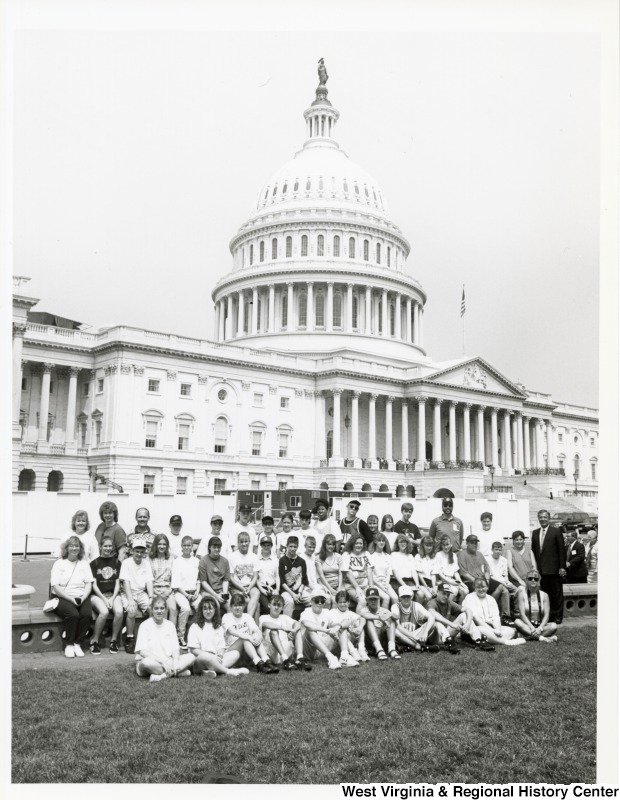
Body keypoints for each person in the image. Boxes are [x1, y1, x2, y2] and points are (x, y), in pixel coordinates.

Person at [50, 535, 95, 658]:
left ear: (80, 549)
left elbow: (88, 583)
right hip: (62, 596)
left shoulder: (84, 564)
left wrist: (83, 597)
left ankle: (77, 643)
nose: (74, 548)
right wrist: (71, 599)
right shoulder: (59, 563)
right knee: (73, 614)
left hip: (81, 595)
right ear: (67, 548)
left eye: (77, 546)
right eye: (71, 546)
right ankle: (69, 645)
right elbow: (56, 586)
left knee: (86, 614)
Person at [457, 534, 514, 627]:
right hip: (469, 580)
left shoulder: (479, 553)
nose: (474, 545)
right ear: (467, 543)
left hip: (483, 578)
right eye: (472, 543)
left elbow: (487, 567)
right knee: (482, 587)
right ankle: (486, 613)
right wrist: (477, 581)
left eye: (476, 543)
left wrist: (487, 578)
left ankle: (505, 617)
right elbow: (463, 573)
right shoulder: (462, 554)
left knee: (502, 588)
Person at [134, 596, 195, 682]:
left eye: (162, 608)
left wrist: (176, 661)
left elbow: (175, 648)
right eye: (156, 608)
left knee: (191, 656)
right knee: (146, 662)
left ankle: (162, 676)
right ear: (151, 610)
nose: (159, 611)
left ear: (166, 610)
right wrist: (162, 662)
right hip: (151, 662)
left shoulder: (170, 625)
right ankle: (179, 672)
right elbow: (142, 651)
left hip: (167, 661)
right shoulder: (144, 625)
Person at [188, 595, 249, 677]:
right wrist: (211, 656)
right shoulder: (195, 626)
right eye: (205, 609)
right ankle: (228, 671)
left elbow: (221, 647)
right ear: (201, 611)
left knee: (235, 653)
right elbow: (193, 650)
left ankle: (208, 672)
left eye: (211, 608)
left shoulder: (218, 627)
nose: (208, 611)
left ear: (215, 610)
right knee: (204, 656)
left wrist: (219, 656)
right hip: (200, 659)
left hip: (215, 657)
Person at [222, 592, 279, 673]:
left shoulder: (247, 616)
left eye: (240, 605)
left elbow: (256, 629)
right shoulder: (227, 617)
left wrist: (259, 637)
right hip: (232, 651)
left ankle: (267, 661)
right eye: (235, 605)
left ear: (244, 606)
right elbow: (231, 631)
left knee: (255, 634)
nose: (238, 608)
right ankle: (259, 664)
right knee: (244, 638)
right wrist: (248, 637)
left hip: (248, 650)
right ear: (231, 607)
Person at [427, 583, 495, 651]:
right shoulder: (432, 603)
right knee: (437, 624)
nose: (446, 597)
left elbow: (468, 610)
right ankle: (451, 643)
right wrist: (451, 624)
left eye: (448, 594)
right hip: (434, 637)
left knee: (463, 615)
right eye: (443, 593)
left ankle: (478, 640)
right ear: (437, 592)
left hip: (447, 634)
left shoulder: (448, 602)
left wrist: (467, 624)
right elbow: (433, 614)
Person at [461, 577, 525, 646]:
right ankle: (505, 642)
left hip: (491, 627)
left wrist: (498, 630)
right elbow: (476, 619)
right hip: (477, 626)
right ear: (474, 588)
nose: (481, 589)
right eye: (478, 587)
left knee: (511, 630)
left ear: (487, 587)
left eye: (483, 587)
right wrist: (492, 630)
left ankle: (491, 639)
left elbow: (496, 618)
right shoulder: (469, 597)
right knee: (482, 631)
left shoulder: (491, 599)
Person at [531, 509, 567, 624]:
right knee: (546, 595)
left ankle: (558, 616)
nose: (543, 519)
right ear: (538, 518)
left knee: (557, 594)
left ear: (549, 518)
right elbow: (534, 552)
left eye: (545, 517)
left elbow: (562, 550)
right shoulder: (535, 533)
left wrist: (562, 567)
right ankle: (549, 616)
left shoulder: (555, 531)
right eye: (540, 517)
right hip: (542, 571)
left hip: (554, 569)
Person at [89, 535, 124, 655]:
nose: (108, 548)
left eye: (110, 546)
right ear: (100, 547)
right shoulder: (94, 563)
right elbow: (93, 585)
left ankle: (114, 641)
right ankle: (94, 640)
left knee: (119, 612)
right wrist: (104, 598)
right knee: (104, 612)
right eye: (105, 546)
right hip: (97, 595)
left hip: (113, 594)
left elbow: (118, 583)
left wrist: (113, 598)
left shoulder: (117, 562)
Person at [259, 594, 312, 670]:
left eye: (279, 605)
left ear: (282, 608)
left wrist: (293, 631)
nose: (276, 607)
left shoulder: (284, 617)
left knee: (297, 630)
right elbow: (266, 624)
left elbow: (297, 624)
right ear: (269, 605)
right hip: (272, 652)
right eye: (274, 604)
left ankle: (300, 659)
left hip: (286, 649)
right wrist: (283, 628)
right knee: (273, 631)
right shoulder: (263, 617)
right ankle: (285, 660)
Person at [119, 536, 153, 654]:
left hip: (141, 592)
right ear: (132, 551)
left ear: (145, 552)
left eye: (141, 552)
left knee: (152, 609)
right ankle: (130, 638)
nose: (139, 554)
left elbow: (149, 581)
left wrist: (151, 597)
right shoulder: (126, 563)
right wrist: (130, 599)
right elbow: (126, 582)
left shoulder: (147, 563)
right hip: (128, 592)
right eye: (137, 551)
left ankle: (150, 638)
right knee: (132, 610)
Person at [300, 585, 346, 669]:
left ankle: (346, 655)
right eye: (317, 601)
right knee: (311, 630)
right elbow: (306, 624)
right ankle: (331, 657)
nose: (320, 603)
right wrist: (326, 630)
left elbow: (345, 622)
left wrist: (336, 628)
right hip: (309, 650)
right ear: (311, 602)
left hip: (322, 647)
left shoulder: (326, 612)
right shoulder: (306, 612)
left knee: (341, 628)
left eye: (322, 601)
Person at [389, 585, 442, 654]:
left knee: (433, 624)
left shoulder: (416, 605)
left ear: (412, 597)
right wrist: (415, 638)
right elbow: (398, 626)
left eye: (408, 596)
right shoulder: (395, 607)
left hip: (416, 635)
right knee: (394, 630)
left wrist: (425, 633)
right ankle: (419, 646)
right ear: (399, 598)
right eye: (403, 596)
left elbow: (431, 617)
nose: (406, 598)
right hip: (403, 636)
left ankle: (409, 647)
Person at [171, 535, 202, 647]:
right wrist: (187, 596)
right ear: (181, 547)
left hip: (194, 591)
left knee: (200, 605)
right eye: (184, 545)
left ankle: (198, 635)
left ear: (192, 547)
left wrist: (197, 591)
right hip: (181, 592)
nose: (187, 548)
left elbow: (198, 579)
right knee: (186, 608)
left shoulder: (196, 561)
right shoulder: (177, 561)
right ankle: (181, 636)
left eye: (189, 545)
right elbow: (176, 584)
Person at [514, 570, 558, 643]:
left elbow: (547, 615)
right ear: (526, 581)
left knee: (554, 626)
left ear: (539, 581)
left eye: (536, 579)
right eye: (530, 578)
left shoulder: (544, 595)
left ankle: (527, 637)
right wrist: (532, 628)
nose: (533, 580)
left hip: (540, 626)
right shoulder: (522, 594)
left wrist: (540, 628)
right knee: (517, 622)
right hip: (527, 626)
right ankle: (542, 638)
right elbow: (522, 614)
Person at [359, 587, 401, 660]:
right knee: (369, 620)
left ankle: (392, 649)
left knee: (390, 619)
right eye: (370, 599)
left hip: (382, 637)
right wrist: (379, 617)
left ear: (378, 599)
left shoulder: (383, 610)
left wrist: (392, 615)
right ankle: (379, 649)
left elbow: (396, 617)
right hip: (370, 641)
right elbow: (364, 615)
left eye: (375, 599)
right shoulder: (364, 610)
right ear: (366, 600)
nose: (373, 601)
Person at [327, 590, 369, 662]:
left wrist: (359, 628)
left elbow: (362, 619)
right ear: (337, 603)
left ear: (348, 603)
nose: (343, 604)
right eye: (340, 602)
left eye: (345, 602)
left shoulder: (349, 613)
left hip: (349, 638)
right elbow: (333, 626)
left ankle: (361, 649)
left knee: (359, 623)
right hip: (336, 639)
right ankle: (353, 652)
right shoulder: (332, 612)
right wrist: (348, 628)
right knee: (343, 628)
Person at [256, 536, 293, 616]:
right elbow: (256, 579)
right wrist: (262, 590)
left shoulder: (275, 560)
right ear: (261, 546)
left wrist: (277, 589)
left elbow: (277, 576)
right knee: (267, 607)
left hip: (273, 587)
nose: (266, 547)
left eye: (268, 545)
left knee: (277, 604)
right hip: (262, 588)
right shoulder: (256, 559)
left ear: (271, 546)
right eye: (264, 545)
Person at [149, 534, 178, 630]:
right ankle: (159, 634)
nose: (161, 546)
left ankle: (171, 634)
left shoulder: (172, 558)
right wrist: (157, 593)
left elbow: (175, 578)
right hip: (155, 590)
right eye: (159, 544)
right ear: (155, 545)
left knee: (173, 609)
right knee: (162, 610)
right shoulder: (149, 559)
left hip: (168, 590)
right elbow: (147, 580)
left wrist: (169, 591)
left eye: (164, 544)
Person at [228, 532, 260, 619]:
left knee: (256, 593)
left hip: (250, 586)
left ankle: (248, 621)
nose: (244, 544)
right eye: (241, 542)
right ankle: (249, 624)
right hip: (237, 587)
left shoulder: (254, 557)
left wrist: (249, 588)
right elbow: (231, 577)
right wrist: (242, 589)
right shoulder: (232, 557)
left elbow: (255, 576)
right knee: (254, 603)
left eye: (246, 541)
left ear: (249, 542)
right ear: (238, 543)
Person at [279, 535, 312, 617]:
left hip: (299, 590)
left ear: (297, 547)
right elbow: (282, 581)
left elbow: (304, 580)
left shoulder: (302, 561)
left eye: (295, 546)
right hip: (286, 590)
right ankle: (287, 627)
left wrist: (300, 593)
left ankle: (309, 622)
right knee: (289, 601)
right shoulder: (282, 560)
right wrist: (293, 594)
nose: (293, 548)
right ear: (287, 546)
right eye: (290, 546)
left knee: (312, 599)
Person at [341, 535, 375, 608]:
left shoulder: (366, 554)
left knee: (374, 598)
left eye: (361, 543)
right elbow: (348, 574)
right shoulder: (346, 554)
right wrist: (357, 587)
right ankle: (360, 619)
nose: (359, 545)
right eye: (356, 543)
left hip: (365, 586)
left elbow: (369, 571)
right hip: (351, 586)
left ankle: (374, 619)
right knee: (362, 600)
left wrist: (371, 587)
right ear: (352, 544)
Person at [433, 534, 468, 603]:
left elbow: (455, 572)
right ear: (441, 545)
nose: (446, 547)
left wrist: (461, 583)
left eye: (447, 544)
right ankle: (446, 610)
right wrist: (449, 581)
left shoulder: (454, 555)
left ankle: (458, 608)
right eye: (444, 545)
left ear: (451, 544)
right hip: (442, 581)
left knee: (466, 591)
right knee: (454, 591)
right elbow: (439, 573)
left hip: (452, 580)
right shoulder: (438, 555)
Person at [198, 536, 231, 608]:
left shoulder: (225, 561)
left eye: (218, 547)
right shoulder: (203, 561)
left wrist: (224, 593)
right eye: (214, 547)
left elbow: (226, 579)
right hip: (207, 591)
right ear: (210, 547)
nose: (217, 549)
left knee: (230, 605)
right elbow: (203, 582)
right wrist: (215, 595)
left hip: (221, 590)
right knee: (215, 605)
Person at [389, 533, 423, 601]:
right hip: (397, 582)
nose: (403, 544)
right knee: (406, 593)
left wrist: (417, 583)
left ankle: (415, 610)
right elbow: (395, 573)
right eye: (401, 542)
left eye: (404, 542)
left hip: (409, 581)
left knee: (421, 594)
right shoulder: (394, 555)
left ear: (407, 543)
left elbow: (413, 571)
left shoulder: (410, 556)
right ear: (397, 544)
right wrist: (404, 585)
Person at [487, 541, 520, 607]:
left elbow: (505, 575)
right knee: (505, 592)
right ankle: (506, 615)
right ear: (492, 550)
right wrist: (502, 584)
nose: (498, 552)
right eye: (496, 549)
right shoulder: (487, 559)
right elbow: (490, 576)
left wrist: (507, 582)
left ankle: (516, 612)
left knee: (518, 591)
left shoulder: (504, 560)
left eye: (500, 550)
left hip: (504, 581)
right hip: (494, 582)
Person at [368, 532, 397, 606]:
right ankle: (384, 617)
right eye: (379, 540)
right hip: (375, 584)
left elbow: (388, 574)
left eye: (383, 541)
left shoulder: (387, 556)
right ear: (375, 542)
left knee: (395, 598)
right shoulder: (370, 557)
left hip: (385, 583)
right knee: (386, 598)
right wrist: (382, 587)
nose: (381, 542)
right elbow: (371, 576)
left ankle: (395, 617)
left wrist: (386, 585)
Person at [315, 533, 343, 605]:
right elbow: (321, 576)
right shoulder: (318, 558)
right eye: (329, 544)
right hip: (326, 585)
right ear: (325, 544)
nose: (331, 546)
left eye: (333, 544)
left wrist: (339, 587)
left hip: (337, 584)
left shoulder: (338, 556)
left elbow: (340, 573)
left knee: (337, 600)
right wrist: (330, 589)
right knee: (329, 599)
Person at [412, 535, 438, 605]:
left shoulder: (434, 557)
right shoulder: (418, 556)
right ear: (423, 545)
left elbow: (433, 574)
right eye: (427, 545)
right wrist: (427, 588)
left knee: (436, 595)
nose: (429, 548)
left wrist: (433, 587)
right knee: (429, 596)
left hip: (431, 582)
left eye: (430, 545)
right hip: (422, 582)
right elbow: (419, 574)